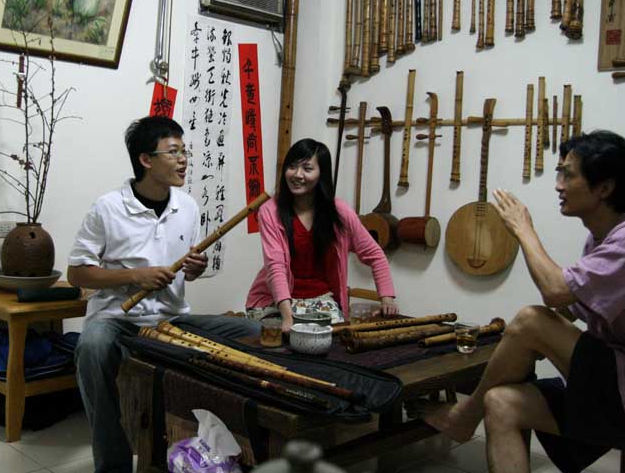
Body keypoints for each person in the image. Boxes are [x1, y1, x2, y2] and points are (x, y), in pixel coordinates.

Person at [423, 130, 625, 472]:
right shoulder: (601, 238)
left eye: (567, 175)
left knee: (532, 318)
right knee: (502, 402)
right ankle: (473, 413)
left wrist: (523, 229)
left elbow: (555, 292)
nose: (558, 185)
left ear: (604, 188)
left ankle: (465, 415)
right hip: (617, 380)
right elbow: (571, 308)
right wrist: (518, 344)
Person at [68, 116, 259, 473]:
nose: (183, 159)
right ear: (145, 159)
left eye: (184, 151)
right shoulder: (108, 207)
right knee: (91, 348)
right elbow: (77, 273)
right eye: (173, 152)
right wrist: (135, 276)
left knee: (253, 332)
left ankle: (227, 450)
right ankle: (113, 464)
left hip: (171, 319)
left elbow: (186, 269)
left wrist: (195, 268)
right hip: (117, 319)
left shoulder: (187, 207)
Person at [245, 138, 398, 333]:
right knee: (281, 341)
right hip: (274, 302)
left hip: (321, 300)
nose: (297, 174)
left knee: (331, 342)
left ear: (321, 174)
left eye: (307, 169)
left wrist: (387, 299)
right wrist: (288, 317)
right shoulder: (270, 211)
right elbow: (276, 266)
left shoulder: (339, 212)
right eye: (292, 167)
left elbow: (375, 255)